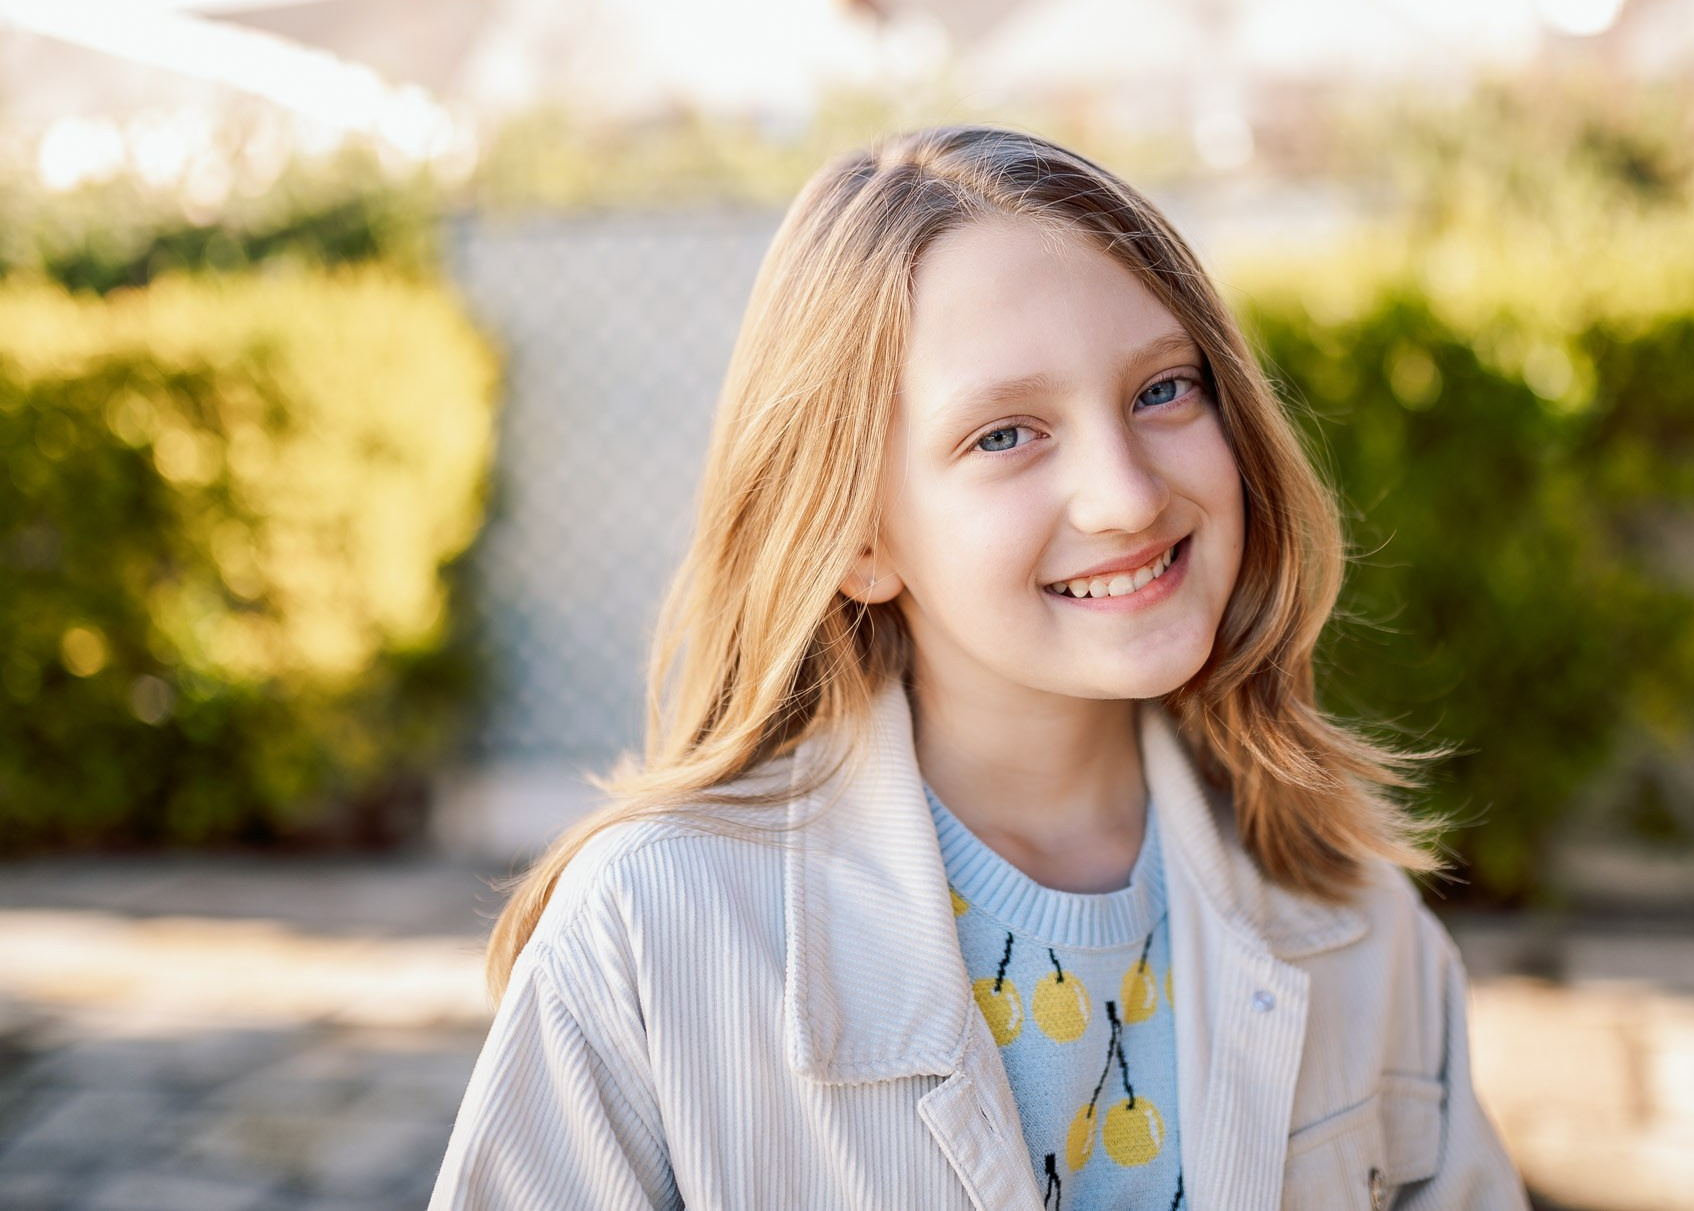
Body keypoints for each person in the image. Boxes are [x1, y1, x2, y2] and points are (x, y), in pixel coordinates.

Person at [428, 125, 1528, 1211]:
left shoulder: (1358, 921)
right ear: (855, 535)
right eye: (1005, 434)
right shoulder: (649, 931)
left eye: (1161, 390)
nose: (1126, 495)